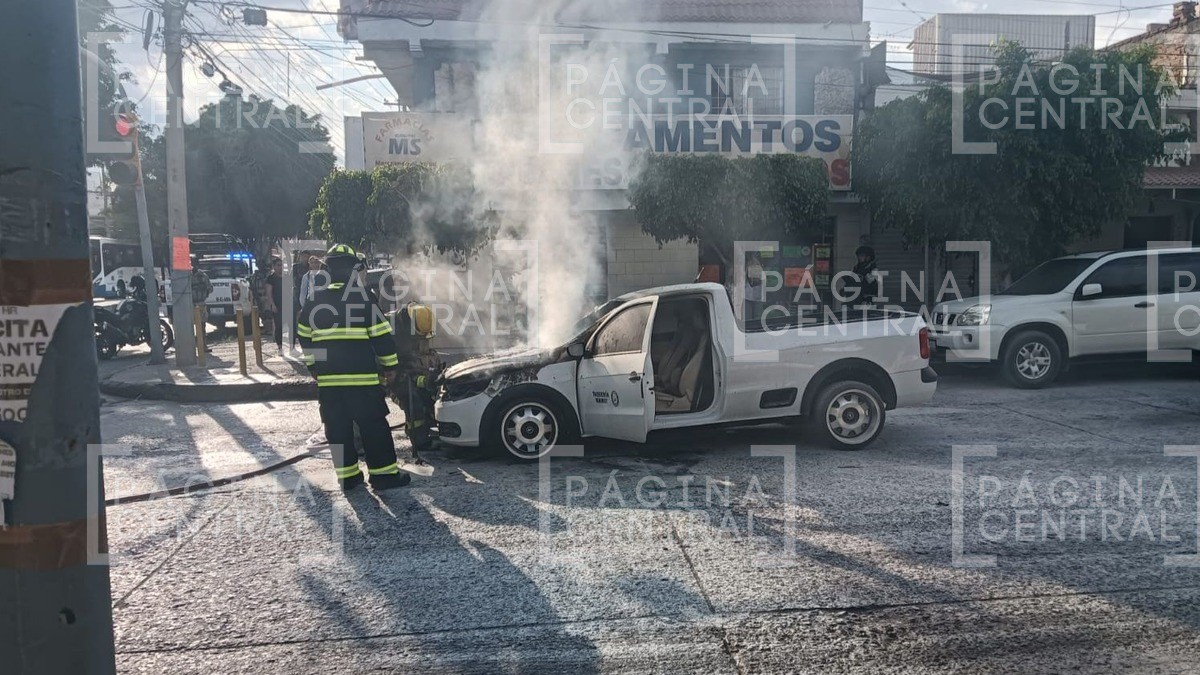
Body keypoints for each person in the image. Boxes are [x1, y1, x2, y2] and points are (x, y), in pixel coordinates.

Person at [297, 244, 409, 492]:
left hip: (329, 384)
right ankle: (384, 477)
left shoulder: (315, 300)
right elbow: (382, 337)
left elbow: (303, 335)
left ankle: (348, 478)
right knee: (373, 427)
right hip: (363, 382)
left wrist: (314, 366)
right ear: (352, 271)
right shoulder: (362, 298)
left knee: (337, 430)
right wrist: (391, 367)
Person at [387, 302, 441, 457]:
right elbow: (399, 371)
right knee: (412, 401)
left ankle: (426, 426)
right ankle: (419, 440)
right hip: (390, 375)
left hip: (405, 372)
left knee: (426, 397)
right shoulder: (391, 332)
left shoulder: (418, 318)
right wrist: (422, 380)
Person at [264, 258, 285, 349]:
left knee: (291, 326)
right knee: (279, 327)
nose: (280, 267)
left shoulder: (286, 276)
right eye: (278, 265)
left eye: (282, 265)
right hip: (277, 305)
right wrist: (272, 304)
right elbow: (269, 293)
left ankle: (292, 347)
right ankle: (280, 347)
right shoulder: (271, 278)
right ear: (274, 267)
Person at [190, 256, 213, 328]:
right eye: (192, 264)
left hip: (201, 303)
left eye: (195, 264)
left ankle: (203, 338)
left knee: (202, 324)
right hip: (190, 304)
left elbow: (210, 288)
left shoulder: (203, 276)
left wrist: (205, 291)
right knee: (190, 324)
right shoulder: (187, 276)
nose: (193, 266)